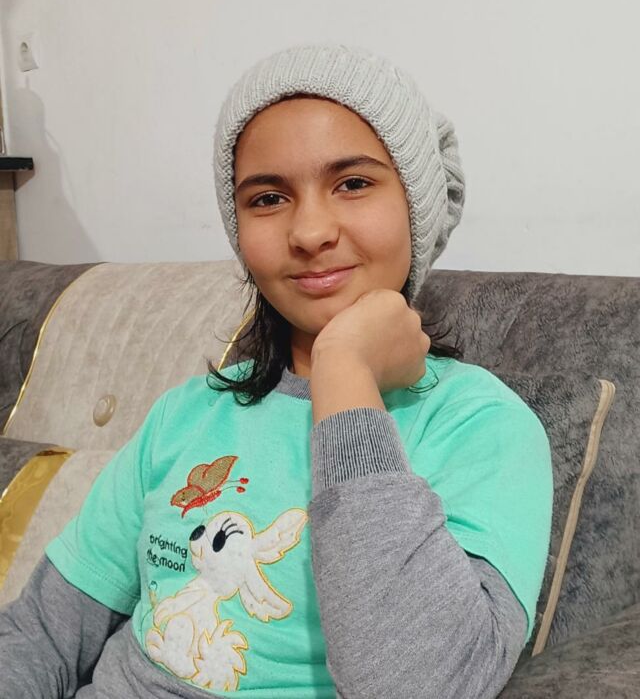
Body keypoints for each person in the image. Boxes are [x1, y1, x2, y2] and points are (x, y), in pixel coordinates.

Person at [0, 43, 553, 698]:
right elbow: (41, 633)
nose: (310, 231)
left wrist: (344, 369)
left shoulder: (485, 427)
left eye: (353, 183)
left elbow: (418, 684)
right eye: (268, 198)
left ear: (417, 206)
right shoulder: (184, 415)